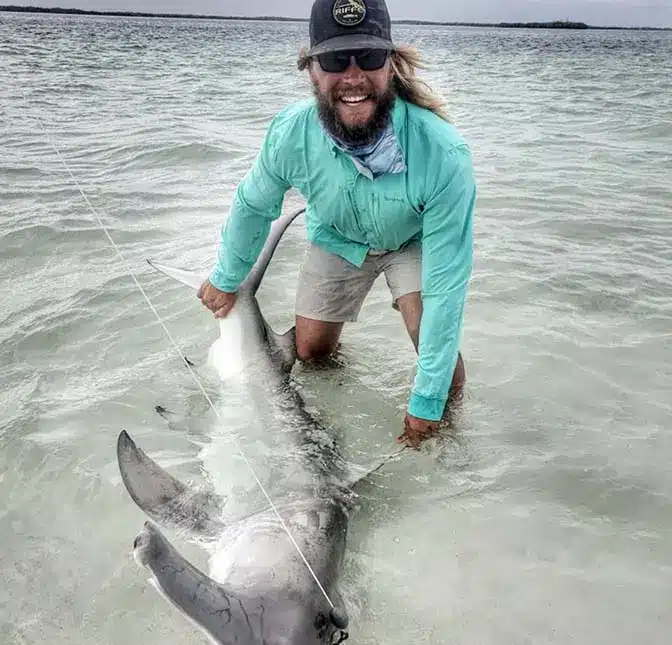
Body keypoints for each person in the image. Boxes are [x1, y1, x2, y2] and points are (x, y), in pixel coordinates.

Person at [198, 0, 476, 450]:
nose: (352, 76)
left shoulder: (443, 154)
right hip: (338, 238)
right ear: (311, 69)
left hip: (411, 240)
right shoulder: (290, 133)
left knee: (435, 354)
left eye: (368, 57)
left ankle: (454, 438)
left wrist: (426, 402)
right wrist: (227, 278)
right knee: (310, 353)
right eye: (334, 60)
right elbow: (253, 205)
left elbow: (447, 288)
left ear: (391, 64)